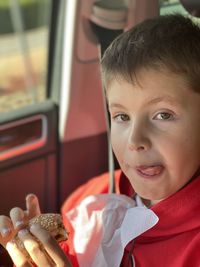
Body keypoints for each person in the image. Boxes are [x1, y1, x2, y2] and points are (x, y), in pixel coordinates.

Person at [1, 13, 200, 266]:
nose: (135, 140)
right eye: (121, 116)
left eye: (163, 115)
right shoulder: (92, 202)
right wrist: (42, 252)